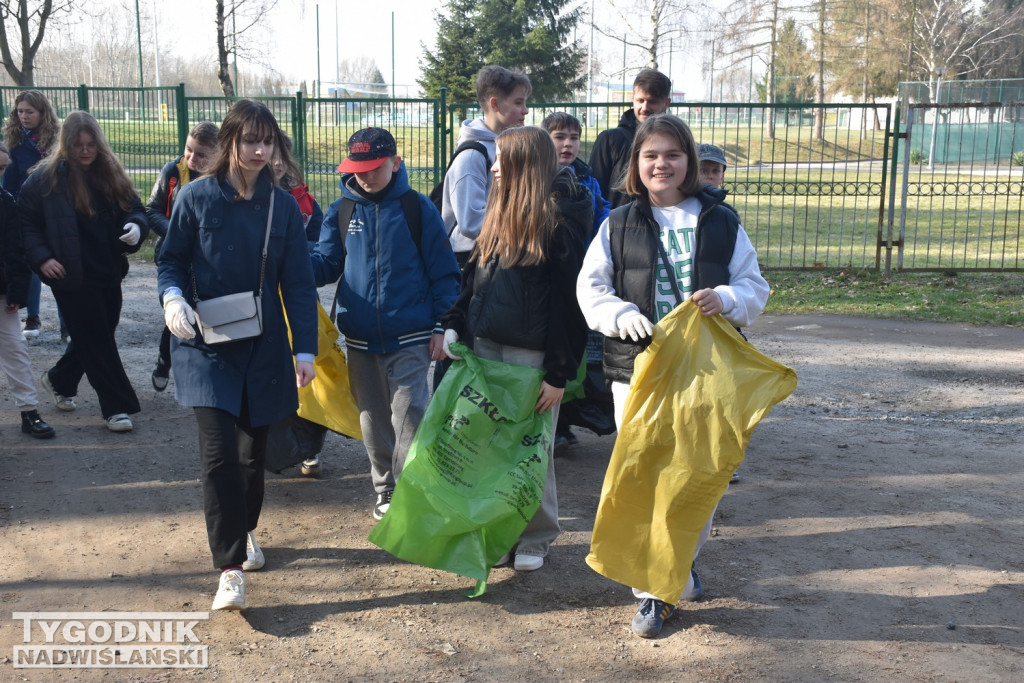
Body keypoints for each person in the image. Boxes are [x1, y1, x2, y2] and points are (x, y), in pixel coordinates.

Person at [576, 114, 769, 638]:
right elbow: (591, 289)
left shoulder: (721, 221)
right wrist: (619, 314)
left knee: (697, 477)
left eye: (672, 155)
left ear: (689, 162)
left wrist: (726, 298)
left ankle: (677, 564)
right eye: (651, 155)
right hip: (636, 373)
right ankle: (655, 589)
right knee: (646, 477)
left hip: (707, 372)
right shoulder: (617, 223)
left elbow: (754, 287)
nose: (662, 164)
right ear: (636, 164)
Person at [158, 99, 318, 612]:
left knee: (251, 458)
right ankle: (229, 570)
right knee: (218, 456)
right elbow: (170, 260)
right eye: (250, 140)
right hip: (204, 346)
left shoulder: (282, 206)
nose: (260, 151)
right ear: (230, 141)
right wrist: (172, 297)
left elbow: (298, 284)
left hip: (263, 348)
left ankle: (245, 527)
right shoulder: (195, 197)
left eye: (267, 141)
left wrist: (306, 349)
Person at [442, 126, 588, 572]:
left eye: (501, 159)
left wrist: (558, 373)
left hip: (531, 359)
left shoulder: (559, 223)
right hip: (486, 349)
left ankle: (536, 537)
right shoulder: (498, 210)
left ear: (524, 163)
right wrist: (455, 323)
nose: (492, 167)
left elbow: (569, 304)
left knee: (531, 448)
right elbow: (474, 279)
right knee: (490, 446)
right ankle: (499, 532)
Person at [311, 126, 460, 517]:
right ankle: (386, 488)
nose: (365, 176)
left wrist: (442, 325)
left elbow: (445, 273)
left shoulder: (417, 208)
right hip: (360, 340)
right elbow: (325, 264)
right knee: (372, 418)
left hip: (411, 335)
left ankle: (411, 488)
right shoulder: (341, 210)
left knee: (409, 414)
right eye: (358, 169)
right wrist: (291, 263)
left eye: (374, 167)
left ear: (396, 163)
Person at [18, 111, 148, 433]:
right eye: (78, 145)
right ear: (67, 144)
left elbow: (134, 208)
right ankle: (116, 407)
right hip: (69, 274)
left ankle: (59, 380)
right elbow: (27, 225)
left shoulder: (110, 172)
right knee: (97, 338)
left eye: (91, 144)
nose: (86, 151)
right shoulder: (44, 179)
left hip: (108, 269)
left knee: (99, 331)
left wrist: (136, 226)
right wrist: (43, 259)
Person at [541, 111, 611, 451]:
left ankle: (565, 419)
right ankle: (552, 424)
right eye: (559, 137)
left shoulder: (586, 177)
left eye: (573, 138)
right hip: (551, 271)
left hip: (583, 268)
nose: (568, 144)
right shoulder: (539, 176)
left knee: (576, 349)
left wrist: (608, 228)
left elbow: (602, 210)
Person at [145, 121, 219, 392]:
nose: (191, 157)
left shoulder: (224, 177)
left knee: (208, 313)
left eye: (200, 154)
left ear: (218, 154)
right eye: (189, 149)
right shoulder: (173, 171)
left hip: (209, 260)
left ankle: (206, 373)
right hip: (176, 256)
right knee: (180, 311)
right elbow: (152, 210)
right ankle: (165, 360)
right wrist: (177, 232)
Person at [440, 65, 531, 269]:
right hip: (471, 259)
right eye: (518, 102)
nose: (525, 110)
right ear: (494, 104)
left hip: (499, 252)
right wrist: (523, 228)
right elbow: (471, 223)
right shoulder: (472, 156)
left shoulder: (508, 146)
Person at [0, 143, 54, 439]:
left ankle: (29, 412)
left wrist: (17, 293)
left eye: (2, 168)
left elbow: (16, 250)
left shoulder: (6, 201)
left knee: (15, 349)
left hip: (1, 294)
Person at [697, 142, 741, 484]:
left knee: (721, 394)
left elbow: (742, 272)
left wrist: (728, 299)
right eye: (704, 170)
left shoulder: (727, 216)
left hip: (721, 318)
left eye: (716, 171)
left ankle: (722, 460)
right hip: (690, 316)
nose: (710, 176)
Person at [1, 90, 61, 340]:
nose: (24, 116)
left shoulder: (56, 140)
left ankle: (67, 322)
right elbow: (8, 180)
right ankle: (33, 316)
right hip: (24, 210)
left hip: (53, 209)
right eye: (20, 112)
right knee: (31, 262)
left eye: (29, 111)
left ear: (42, 112)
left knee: (59, 262)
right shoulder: (14, 141)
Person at [589, 69, 672, 209]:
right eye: (640, 100)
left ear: (666, 103)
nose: (645, 107)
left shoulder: (676, 142)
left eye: (652, 101)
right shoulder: (610, 140)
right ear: (633, 99)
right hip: (617, 219)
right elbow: (594, 190)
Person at [272, 134, 323, 249]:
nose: (279, 162)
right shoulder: (247, 197)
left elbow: (319, 242)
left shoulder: (305, 200)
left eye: (284, 156)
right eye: (272, 156)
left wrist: (295, 250)